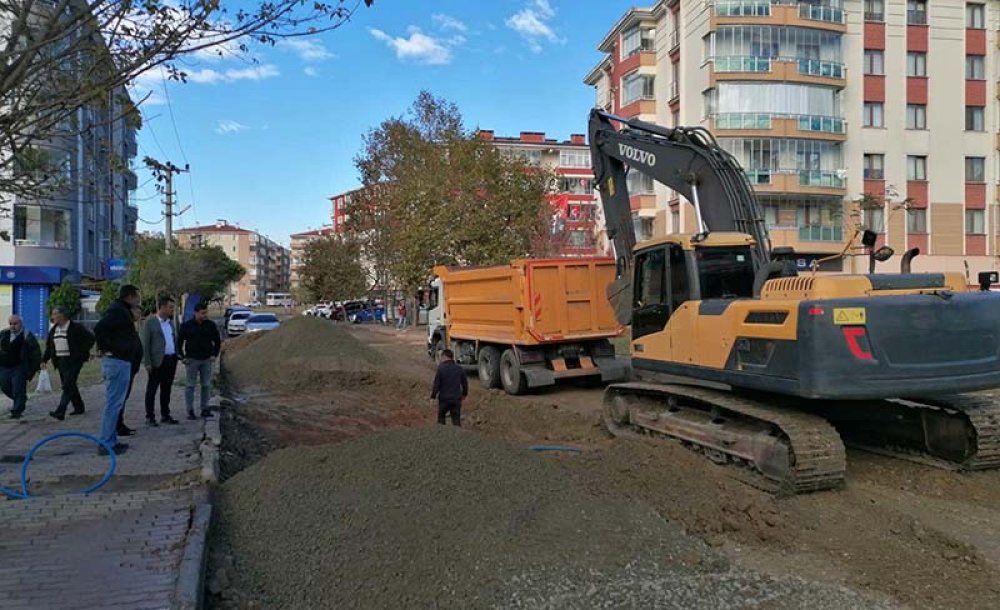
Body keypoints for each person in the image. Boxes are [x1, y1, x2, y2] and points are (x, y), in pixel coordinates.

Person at [94, 284, 142, 454]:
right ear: (129, 297)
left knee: (116, 403)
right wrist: (106, 348)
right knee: (113, 405)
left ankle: (112, 440)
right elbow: (99, 328)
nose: (138, 299)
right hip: (117, 362)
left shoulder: (123, 312)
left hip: (122, 361)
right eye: (136, 296)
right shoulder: (117, 312)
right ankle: (106, 442)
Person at [42, 306, 95, 421]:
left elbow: (90, 339)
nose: (53, 316)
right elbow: (49, 347)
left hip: (74, 360)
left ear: (62, 315)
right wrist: (44, 360)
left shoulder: (75, 328)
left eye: (55, 314)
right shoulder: (53, 330)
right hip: (61, 361)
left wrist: (82, 352)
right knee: (70, 384)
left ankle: (60, 410)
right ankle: (79, 407)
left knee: (67, 384)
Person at [140, 295, 180, 426]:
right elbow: (145, 344)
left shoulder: (170, 323)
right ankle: (149, 416)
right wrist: (147, 362)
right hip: (157, 362)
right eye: (170, 307)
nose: (172, 310)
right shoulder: (150, 322)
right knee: (152, 389)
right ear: (162, 307)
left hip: (170, 360)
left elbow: (173, 339)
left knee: (166, 388)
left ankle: (165, 414)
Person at [178, 301, 221, 420]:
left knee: (206, 385)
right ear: (195, 313)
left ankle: (205, 408)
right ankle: (190, 410)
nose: (204, 315)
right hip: (192, 359)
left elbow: (217, 341)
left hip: (207, 359)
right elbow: (179, 342)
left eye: (206, 313)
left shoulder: (210, 325)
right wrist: (182, 357)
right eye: (202, 313)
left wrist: (214, 354)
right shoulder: (187, 326)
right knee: (190, 385)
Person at [0, 315, 42, 419]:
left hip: (19, 367)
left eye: (15, 324)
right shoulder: (3, 334)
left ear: (21, 324)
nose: (13, 326)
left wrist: (32, 368)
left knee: (18, 388)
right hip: (4, 367)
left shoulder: (27, 335)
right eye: (11, 324)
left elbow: (35, 352)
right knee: (5, 387)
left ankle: (17, 411)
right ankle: (21, 399)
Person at [115, 304, 143, 437]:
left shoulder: (133, 328)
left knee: (124, 398)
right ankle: (116, 426)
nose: (139, 315)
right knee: (119, 398)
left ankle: (120, 424)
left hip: (131, 368)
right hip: (124, 366)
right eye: (137, 312)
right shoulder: (124, 328)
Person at [430, 348, 467, 427]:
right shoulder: (459, 369)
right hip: (456, 399)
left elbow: (437, 384)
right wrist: (464, 394)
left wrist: (433, 396)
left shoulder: (441, 369)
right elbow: (465, 383)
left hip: (444, 399)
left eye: (441, 357)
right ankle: (458, 437)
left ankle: (442, 436)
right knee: (456, 420)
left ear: (444, 357)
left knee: (441, 419)